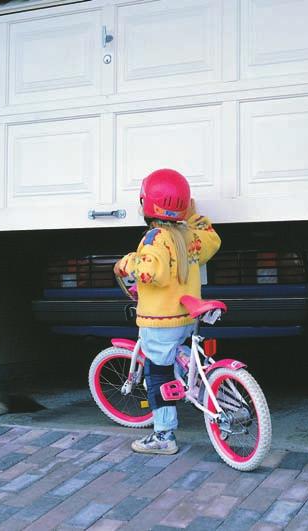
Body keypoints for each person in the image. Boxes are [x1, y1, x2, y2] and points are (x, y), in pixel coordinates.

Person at [114, 168, 221, 455]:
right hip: (186, 318)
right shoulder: (191, 236)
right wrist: (194, 216)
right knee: (174, 353)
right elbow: (212, 239)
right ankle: (190, 376)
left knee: (156, 373)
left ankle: (163, 436)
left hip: (160, 321)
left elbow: (149, 272)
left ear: (147, 204)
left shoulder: (155, 238)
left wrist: (127, 262)